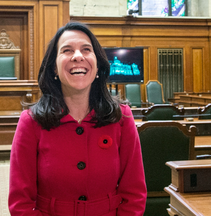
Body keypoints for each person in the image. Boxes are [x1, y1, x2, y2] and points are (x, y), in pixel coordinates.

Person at [8, 21, 147, 216]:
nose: (78, 56)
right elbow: (20, 203)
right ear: (54, 68)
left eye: (86, 49)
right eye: (66, 50)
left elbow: (134, 194)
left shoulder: (121, 117)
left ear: (97, 64)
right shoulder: (31, 122)